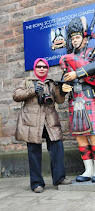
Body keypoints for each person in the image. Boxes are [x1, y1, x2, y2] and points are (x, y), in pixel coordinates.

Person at [59, 16, 95, 183]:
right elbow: (64, 77)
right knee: (80, 137)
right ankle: (88, 169)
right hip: (74, 99)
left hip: (90, 97)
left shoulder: (92, 52)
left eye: (77, 37)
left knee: (93, 135)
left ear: (84, 37)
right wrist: (63, 86)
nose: (74, 41)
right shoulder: (68, 58)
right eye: (72, 38)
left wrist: (77, 73)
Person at [13, 58, 71, 193]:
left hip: (50, 120)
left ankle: (59, 178)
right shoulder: (27, 81)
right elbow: (16, 95)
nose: (41, 69)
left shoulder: (52, 83)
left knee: (57, 148)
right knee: (34, 153)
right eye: (39, 66)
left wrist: (62, 92)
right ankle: (37, 183)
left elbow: (60, 101)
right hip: (32, 122)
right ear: (34, 68)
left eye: (44, 66)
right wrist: (32, 90)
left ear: (47, 68)